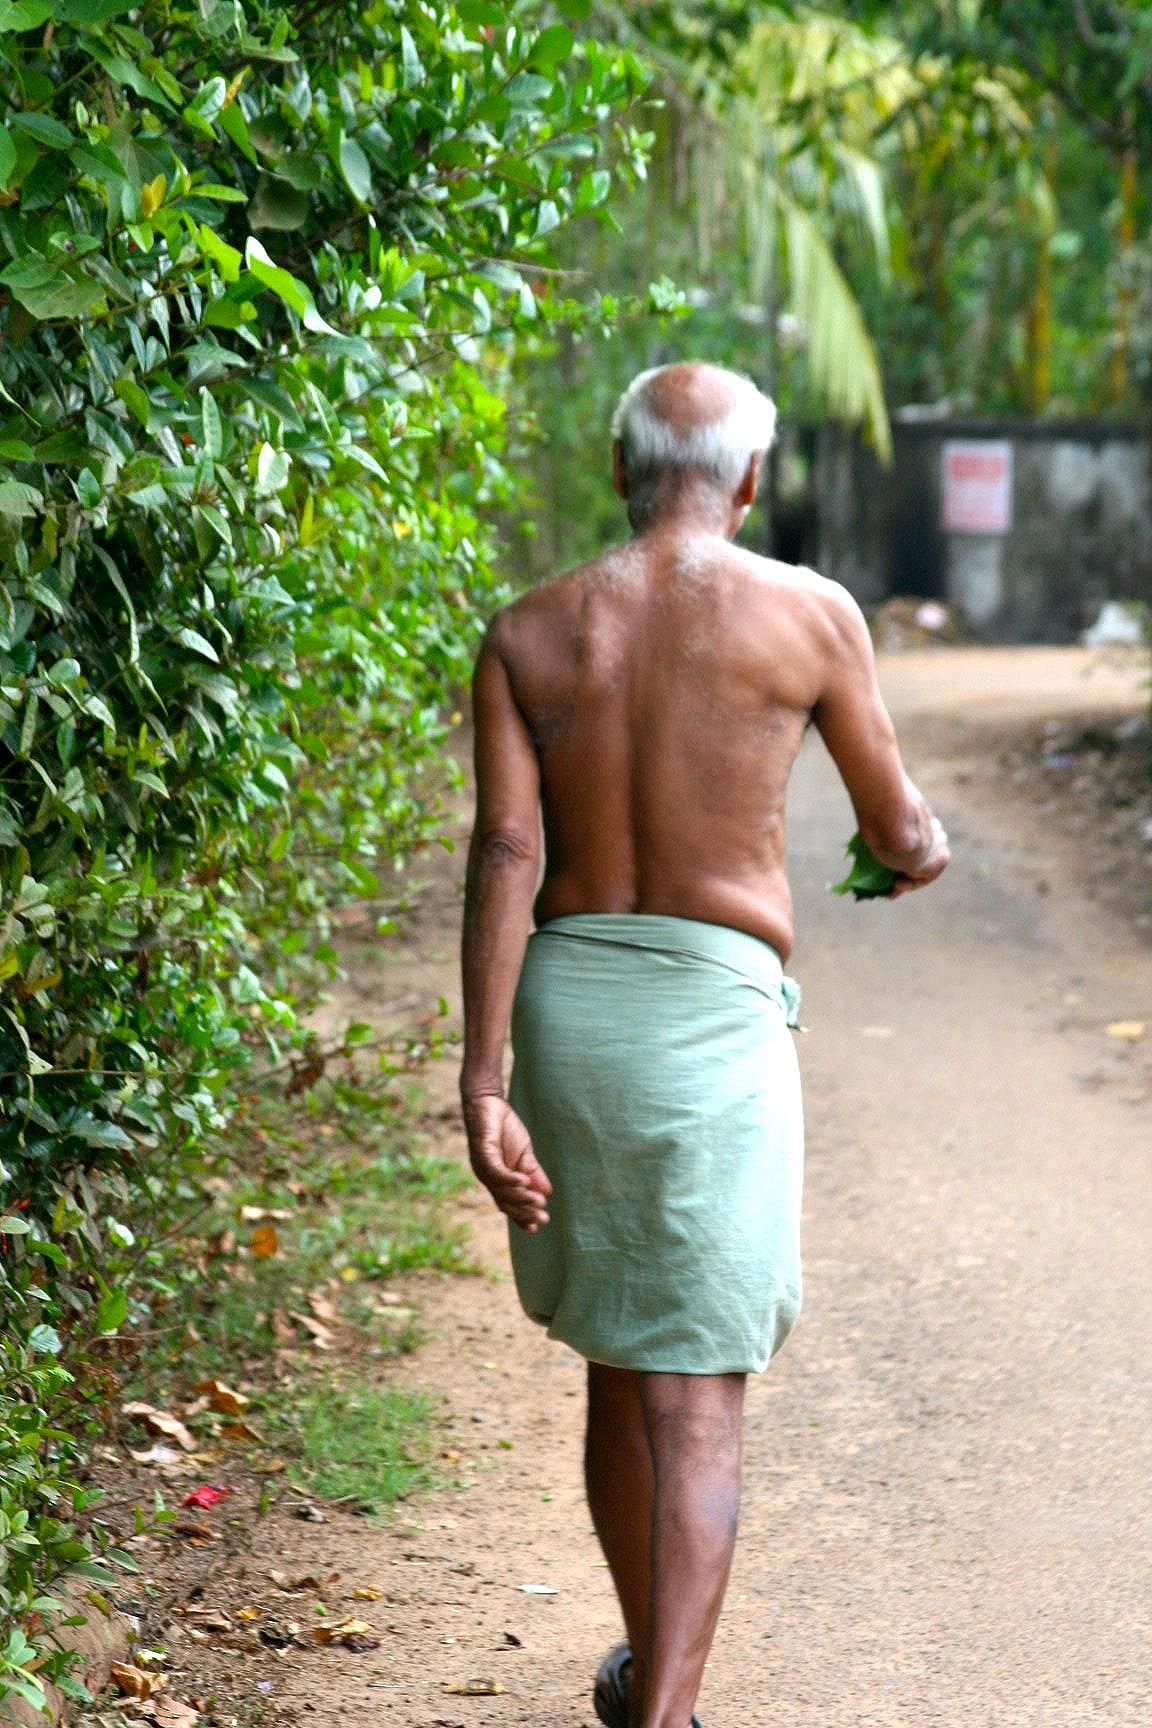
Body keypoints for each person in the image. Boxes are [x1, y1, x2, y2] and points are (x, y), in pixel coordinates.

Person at [458, 362, 949, 1728]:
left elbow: (506, 850)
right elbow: (898, 832)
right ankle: (667, 1716)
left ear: (623, 469)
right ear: (746, 480)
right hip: (713, 1022)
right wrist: (915, 852)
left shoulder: (533, 629)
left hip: (568, 1014)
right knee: (702, 1399)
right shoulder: (810, 617)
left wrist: (482, 1077)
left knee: (626, 1353)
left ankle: (642, 1669)